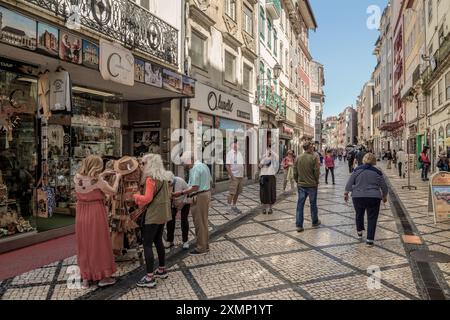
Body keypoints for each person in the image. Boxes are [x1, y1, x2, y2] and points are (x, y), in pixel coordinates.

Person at [74, 155, 121, 289]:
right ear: (96, 167)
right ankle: (103, 277)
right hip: (96, 212)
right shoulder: (98, 181)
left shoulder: (76, 177)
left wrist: (103, 175)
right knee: (99, 243)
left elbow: (87, 184)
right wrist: (117, 178)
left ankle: (85, 278)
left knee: (84, 244)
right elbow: (113, 191)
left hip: (81, 211)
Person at [133, 154, 172, 288]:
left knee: (147, 244)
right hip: (163, 214)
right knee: (158, 241)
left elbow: (147, 198)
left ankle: (149, 277)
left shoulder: (150, 179)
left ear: (149, 164)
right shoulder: (164, 177)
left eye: (143, 163)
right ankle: (161, 269)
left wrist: (136, 196)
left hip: (153, 215)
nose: (141, 166)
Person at [344, 153, 388, 247]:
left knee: (359, 214)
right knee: (372, 217)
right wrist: (384, 196)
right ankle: (369, 240)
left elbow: (348, 185)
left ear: (364, 160)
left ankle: (359, 232)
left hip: (358, 197)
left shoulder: (357, 170)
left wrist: (346, 193)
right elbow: (384, 187)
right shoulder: (378, 172)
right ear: (374, 160)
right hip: (374, 197)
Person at [174, 152, 212, 256]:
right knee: (204, 222)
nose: (185, 165)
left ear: (189, 160)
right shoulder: (204, 166)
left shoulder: (195, 168)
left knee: (199, 223)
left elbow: (194, 187)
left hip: (199, 196)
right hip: (206, 194)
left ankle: (201, 248)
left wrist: (181, 193)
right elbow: (210, 181)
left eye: (185, 162)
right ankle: (205, 245)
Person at [294, 142, 321, 232]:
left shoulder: (298, 157)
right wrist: (316, 181)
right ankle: (314, 221)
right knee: (313, 204)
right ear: (309, 148)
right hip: (312, 185)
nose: (313, 148)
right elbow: (316, 171)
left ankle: (299, 225)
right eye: (312, 147)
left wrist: (297, 180)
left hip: (301, 185)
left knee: (300, 205)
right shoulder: (313, 158)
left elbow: (295, 171)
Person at [165, 172, 191, 250]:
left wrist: (182, 204)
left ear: (173, 179)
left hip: (184, 202)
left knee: (184, 220)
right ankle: (170, 241)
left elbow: (189, 193)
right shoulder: (165, 184)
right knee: (170, 220)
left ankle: (185, 241)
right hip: (173, 203)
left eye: (169, 182)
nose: (169, 184)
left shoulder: (180, 181)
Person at [225, 142, 245, 214]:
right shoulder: (230, 153)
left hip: (240, 176)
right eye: (234, 144)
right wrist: (232, 176)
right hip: (234, 176)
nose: (236, 145)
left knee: (237, 192)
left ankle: (234, 206)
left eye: (237, 144)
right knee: (232, 193)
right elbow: (227, 166)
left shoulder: (239, 153)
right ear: (231, 146)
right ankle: (228, 208)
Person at [259, 146, 279, 214]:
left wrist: (272, 154)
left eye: (270, 149)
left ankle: (270, 208)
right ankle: (264, 208)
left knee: (271, 192)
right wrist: (264, 162)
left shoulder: (275, 157)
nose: (269, 150)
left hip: (271, 176)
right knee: (263, 192)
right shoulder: (264, 157)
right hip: (264, 176)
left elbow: (276, 163)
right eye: (267, 149)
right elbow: (260, 166)